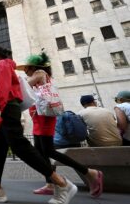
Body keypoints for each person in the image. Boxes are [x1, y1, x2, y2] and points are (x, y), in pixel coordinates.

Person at [0, 46, 77, 204]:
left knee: (20, 146)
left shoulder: (3, 64)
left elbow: (2, 87)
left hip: (6, 108)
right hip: (5, 107)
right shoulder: (4, 66)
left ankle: (62, 183)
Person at [17, 53, 103, 198]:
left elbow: (24, 87)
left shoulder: (40, 73)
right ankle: (50, 183)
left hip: (44, 118)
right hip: (37, 118)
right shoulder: (37, 75)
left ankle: (90, 173)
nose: (25, 71)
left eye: (26, 68)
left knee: (49, 151)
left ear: (34, 67)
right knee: (40, 152)